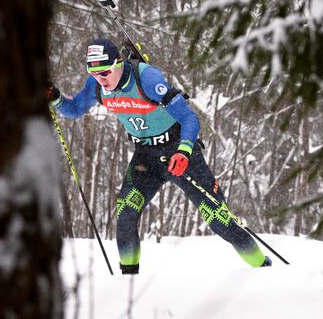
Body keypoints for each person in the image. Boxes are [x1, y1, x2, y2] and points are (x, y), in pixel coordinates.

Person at [48, 38, 271, 274]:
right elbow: (74, 109)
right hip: (145, 158)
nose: (100, 79)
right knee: (125, 215)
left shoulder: (146, 78)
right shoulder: (96, 85)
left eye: (104, 72)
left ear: (118, 63)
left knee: (218, 219)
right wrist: (54, 96)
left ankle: (264, 267)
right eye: (93, 73)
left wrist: (184, 151)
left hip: (179, 152)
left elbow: (188, 118)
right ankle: (127, 284)